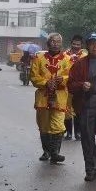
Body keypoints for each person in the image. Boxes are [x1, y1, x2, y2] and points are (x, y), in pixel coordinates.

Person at [66, 33, 96, 182]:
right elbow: (70, 85)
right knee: (87, 138)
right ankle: (90, 169)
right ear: (87, 46)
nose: (95, 46)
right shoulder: (80, 64)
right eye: (92, 43)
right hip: (87, 104)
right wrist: (81, 85)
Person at [30, 34, 74, 165]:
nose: (55, 44)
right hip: (43, 97)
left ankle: (55, 153)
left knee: (58, 124)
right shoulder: (38, 58)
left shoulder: (68, 59)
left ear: (61, 43)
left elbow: (71, 75)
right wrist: (45, 82)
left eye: (58, 41)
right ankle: (46, 151)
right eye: (53, 41)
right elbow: (34, 76)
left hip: (60, 97)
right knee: (43, 125)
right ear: (48, 43)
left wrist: (63, 79)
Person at [63, 35, 87, 140]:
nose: (76, 46)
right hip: (67, 85)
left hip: (80, 86)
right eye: (74, 44)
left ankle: (78, 133)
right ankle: (68, 132)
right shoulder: (64, 55)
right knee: (67, 109)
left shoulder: (85, 55)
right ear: (71, 43)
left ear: (81, 45)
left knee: (78, 110)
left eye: (78, 44)